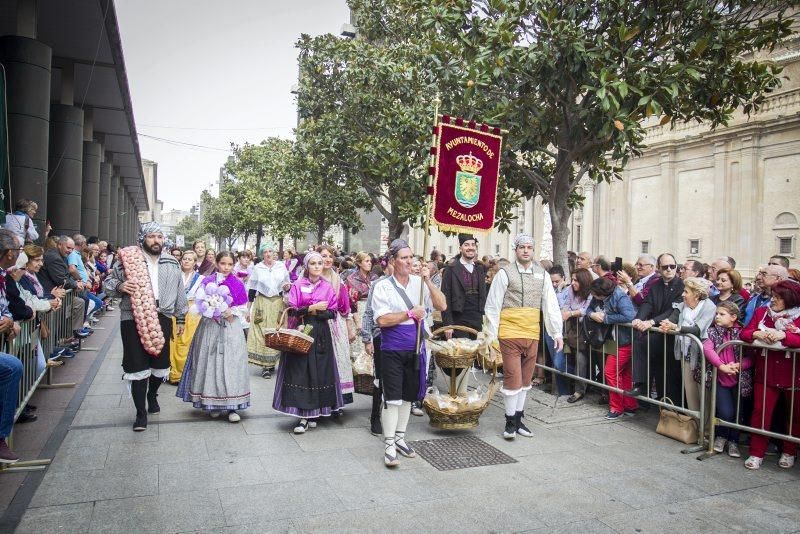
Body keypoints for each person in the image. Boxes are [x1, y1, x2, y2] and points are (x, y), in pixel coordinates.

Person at [103, 222, 187, 431]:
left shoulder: (171, 262)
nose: (156, 240)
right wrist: (120, 286)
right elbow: (108, 284)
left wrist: (181, 318)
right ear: (143, 239)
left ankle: (152, 393)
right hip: (133, 318)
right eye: (151, 236)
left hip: (163, 316)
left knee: (160, 365)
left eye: (159, 236)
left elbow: (179, 292)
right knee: (137, 365)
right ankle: (140, 413)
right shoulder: (128, 260)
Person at [371, 239, 446, 467]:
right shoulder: (382, 286)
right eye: (403, 258)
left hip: (416, 348)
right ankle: (389, 444)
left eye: (410, 257)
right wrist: (410, 314)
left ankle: (401, 438)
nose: (409, 261)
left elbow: (442, 306)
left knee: (407, 397)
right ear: (393, 261)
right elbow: (382, 320)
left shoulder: (419, 283)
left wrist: (427, 281)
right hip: (392, 349)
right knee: (392, 399)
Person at [485, 234, 563, 439]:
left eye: (529, 247)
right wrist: (491, 336)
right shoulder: (505, 273)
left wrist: (557, 332)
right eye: (522, 247)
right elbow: (493, 305)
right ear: (516, 250)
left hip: (532, 332)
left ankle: (519, 420)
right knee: (513, 377)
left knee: (526, 380)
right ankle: (509, 422)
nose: (526, 250)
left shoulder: (543, 275)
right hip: (509, 332)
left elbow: (550, 304)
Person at [272, 252, 343, 433]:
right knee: (301, 373)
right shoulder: (298, 285)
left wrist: (318, 312)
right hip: (301, 331)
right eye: (313, 263)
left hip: (320, 333)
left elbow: (333, 313)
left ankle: (315, 412)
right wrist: (311, 309)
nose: (318, 266)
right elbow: (293, 310)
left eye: (320, 263)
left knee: (319, 371)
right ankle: (303, 416)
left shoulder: (327, 286)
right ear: (306, 266)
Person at [177, 251, 250, 422]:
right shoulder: (207, 281)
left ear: (234, 265)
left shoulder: (237, 283)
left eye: (230, 264)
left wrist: (230, 311)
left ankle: (233, 406)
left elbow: (243, 306)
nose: (226, 267)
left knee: (232, 364)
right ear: (217, 263)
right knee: (209, 363)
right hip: (209, 326)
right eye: (223, 263)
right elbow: (197, 301)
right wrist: (209, 308)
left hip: (231, 327)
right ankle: (213, 404)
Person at [742, 280, 800, 470]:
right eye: (773, 296)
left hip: (793, 374)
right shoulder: (762, 312)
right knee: (760, 412)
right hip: (765, 372)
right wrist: (757, 334)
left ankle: (789, 451)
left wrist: (785, 336)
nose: (773, 300)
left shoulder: (798, 317)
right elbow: (745, 333)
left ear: (789, 299)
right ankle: (756, 452)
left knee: (794, 415)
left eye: (778, 298)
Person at [629, 253, 685, 402]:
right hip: (658, 332)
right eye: (665, 267)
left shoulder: (682, 286)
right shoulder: (655, 285)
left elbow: (674, 310)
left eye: (672, 266)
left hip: (671, 333)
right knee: (657, 367)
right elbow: (648, 303)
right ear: (659, 269)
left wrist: (651, 322)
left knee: (670, 376)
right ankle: (641, 385)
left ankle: (672, 408)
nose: (669, 270)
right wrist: (638, 319)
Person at [659, 277, 716, 416]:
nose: (683, 294)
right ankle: (694, 425)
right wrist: (667, 323)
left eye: (686, 291)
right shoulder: (683, 305)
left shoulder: (709, 306)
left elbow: (698, 329)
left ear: (696, 294)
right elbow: (673, 317)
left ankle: (706, 430)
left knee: (703, 392)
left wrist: (677, 327)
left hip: (702, 355)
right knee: (690, 391)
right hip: (686, 352)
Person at [439, 234, 488, 396]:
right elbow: (444, 297)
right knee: (459, 357)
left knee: (469, 358)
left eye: (473, 244)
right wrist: (448, 324)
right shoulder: (451, 270)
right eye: (466, 245)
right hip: (458, 318)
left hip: (475, 319)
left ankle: (461, 392)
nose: (470, 247)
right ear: (460, 248)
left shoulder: (480, 269)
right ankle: (458, 393)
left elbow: (484, 297)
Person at [703, 301, 750, 458]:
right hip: (720, 377)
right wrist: (721, 366)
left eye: (722, 314)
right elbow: (708, 349)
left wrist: (738, 365)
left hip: (739, 378)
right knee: (725, 411)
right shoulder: (712, 332)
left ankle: (733, 441)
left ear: (733, 317)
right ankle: (721, 436)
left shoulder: (742, 333)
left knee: (737, 412)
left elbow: (752, 357)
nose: (717, 317)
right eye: (717, 313)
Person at [585, 277, 637, 419]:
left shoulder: (619, 297)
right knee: (624, 374)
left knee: (611, 371)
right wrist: (592, 314)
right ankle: (629, 406)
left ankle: (617, 407)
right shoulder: (599, 296)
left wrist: (606, 318)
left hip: (625, 340)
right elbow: (588, 309)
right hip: (615, 340)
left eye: (594, 294)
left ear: (602, 293)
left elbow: (630, 315)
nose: (593, 296)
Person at [317, 244, 356, 410]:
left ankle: (336, 402)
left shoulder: (337, 279)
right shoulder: (311, 277)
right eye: (323, 256)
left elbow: (345, 305)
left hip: (336, 323)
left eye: (329, 256)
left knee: (339, 360)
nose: (326, 259)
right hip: (317, 322)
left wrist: (349, 327)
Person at [246, 244, 290, 379]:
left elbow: (286, 286)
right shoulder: (257, 268)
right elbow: (252, 290)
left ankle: (273, 363)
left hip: (278, 303)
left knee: (277, 331)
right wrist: (248, 309)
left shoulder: (281, 266)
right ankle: (265, 366)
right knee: (262, 331)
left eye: (270, 251)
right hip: (262, 303)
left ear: (274, 253)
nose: (268, 254)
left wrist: (287, 289)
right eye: (265, 252)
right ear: (262, 254)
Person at [0, 230, 23, 463]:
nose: (20, 254)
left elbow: (5, 306)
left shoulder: (3, 275)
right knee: (12, 367)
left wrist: (9, 321)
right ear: (9, 254)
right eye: (19, 251)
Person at [39, 236, 88, 340]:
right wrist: (75, 284)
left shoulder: (61, 256)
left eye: (72, 249)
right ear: (59, 245)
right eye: (68, 248)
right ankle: (58, 340)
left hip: (58, 293)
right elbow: (61, 279)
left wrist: (74, 282)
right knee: (54, 319)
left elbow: (66, 276)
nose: (70, 251)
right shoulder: (54, 257)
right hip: (50, 294)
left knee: (79, 302)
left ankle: (69, 335)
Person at [168, 251, 204, 384]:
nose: (186, 261)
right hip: (174, 310)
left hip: (191, 313)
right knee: (173, 341)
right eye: (185, 259)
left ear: (195, 262)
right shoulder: (174, 275)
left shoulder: (200, 279)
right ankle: (172, 373)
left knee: (186, 342)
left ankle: (182, 374)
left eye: (190, 259)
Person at [562, 268, 594, 403]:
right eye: (572, 279)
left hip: (585, 330)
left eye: (576, 280)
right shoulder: (570, 290)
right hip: (572, 329)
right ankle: (577, 386)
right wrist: (571, 312)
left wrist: (571, 313)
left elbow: (585, 310)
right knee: (572, 359)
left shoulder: (591, 293)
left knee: (581, 359)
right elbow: (566, 305)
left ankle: (580, 390)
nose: (573, 283)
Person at [547, 264, 572, 397]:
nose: (555, 284)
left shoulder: (568, 289)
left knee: (559, 363)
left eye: (557, 281)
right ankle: (563, 392)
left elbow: (562, 308)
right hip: (550, 329)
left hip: (564, 331)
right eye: (552, 282)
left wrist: (560, 290)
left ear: (563, 278)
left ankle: (584, 377)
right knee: (555, 363)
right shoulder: (549, 289)